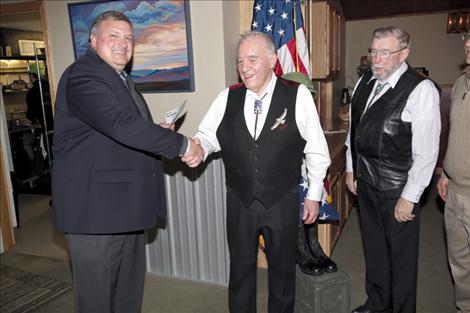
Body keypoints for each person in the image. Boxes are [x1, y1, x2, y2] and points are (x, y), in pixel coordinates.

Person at [52, 11, 202, 313]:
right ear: (93, 41)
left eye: (129, 38)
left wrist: (156, 132)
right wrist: (182, 144)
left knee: (127, 294)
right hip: (95, 214)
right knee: (97, 301)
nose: (123, 44)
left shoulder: (119, 79)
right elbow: (120, 124)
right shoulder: (84, 75)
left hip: (124, 209)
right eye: (114, 36)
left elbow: (115, 132)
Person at [184, 31, 330, 313]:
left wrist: (313, 195)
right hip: (240, 202)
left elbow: (316, 150)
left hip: (281, 201)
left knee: (283, 274)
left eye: (252, 59)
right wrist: (199, 149)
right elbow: (208, 135)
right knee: (240, 271)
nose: (244, 67)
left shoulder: (297, 95)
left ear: (273, 60)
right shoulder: (228, 96)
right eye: (240, 61)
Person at [345, 26, 440, 313]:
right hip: (366, 182)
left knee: (400, 258)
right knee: (374, 249)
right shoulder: (364, 82)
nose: (377, 59)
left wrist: (409, 196)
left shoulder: (421, 89)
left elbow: (427, 151)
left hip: (398, 187)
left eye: (385, 53)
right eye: (374, 52)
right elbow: (355, 131)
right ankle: (377, 302)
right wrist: (352, 169)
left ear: (404, 54)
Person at [437, 35, 470, 313]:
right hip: (456, 190)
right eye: (468, 37)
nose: (468, 43)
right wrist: (446, 171)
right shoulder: (461, 82)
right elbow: (456, 133)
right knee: (459, 261)